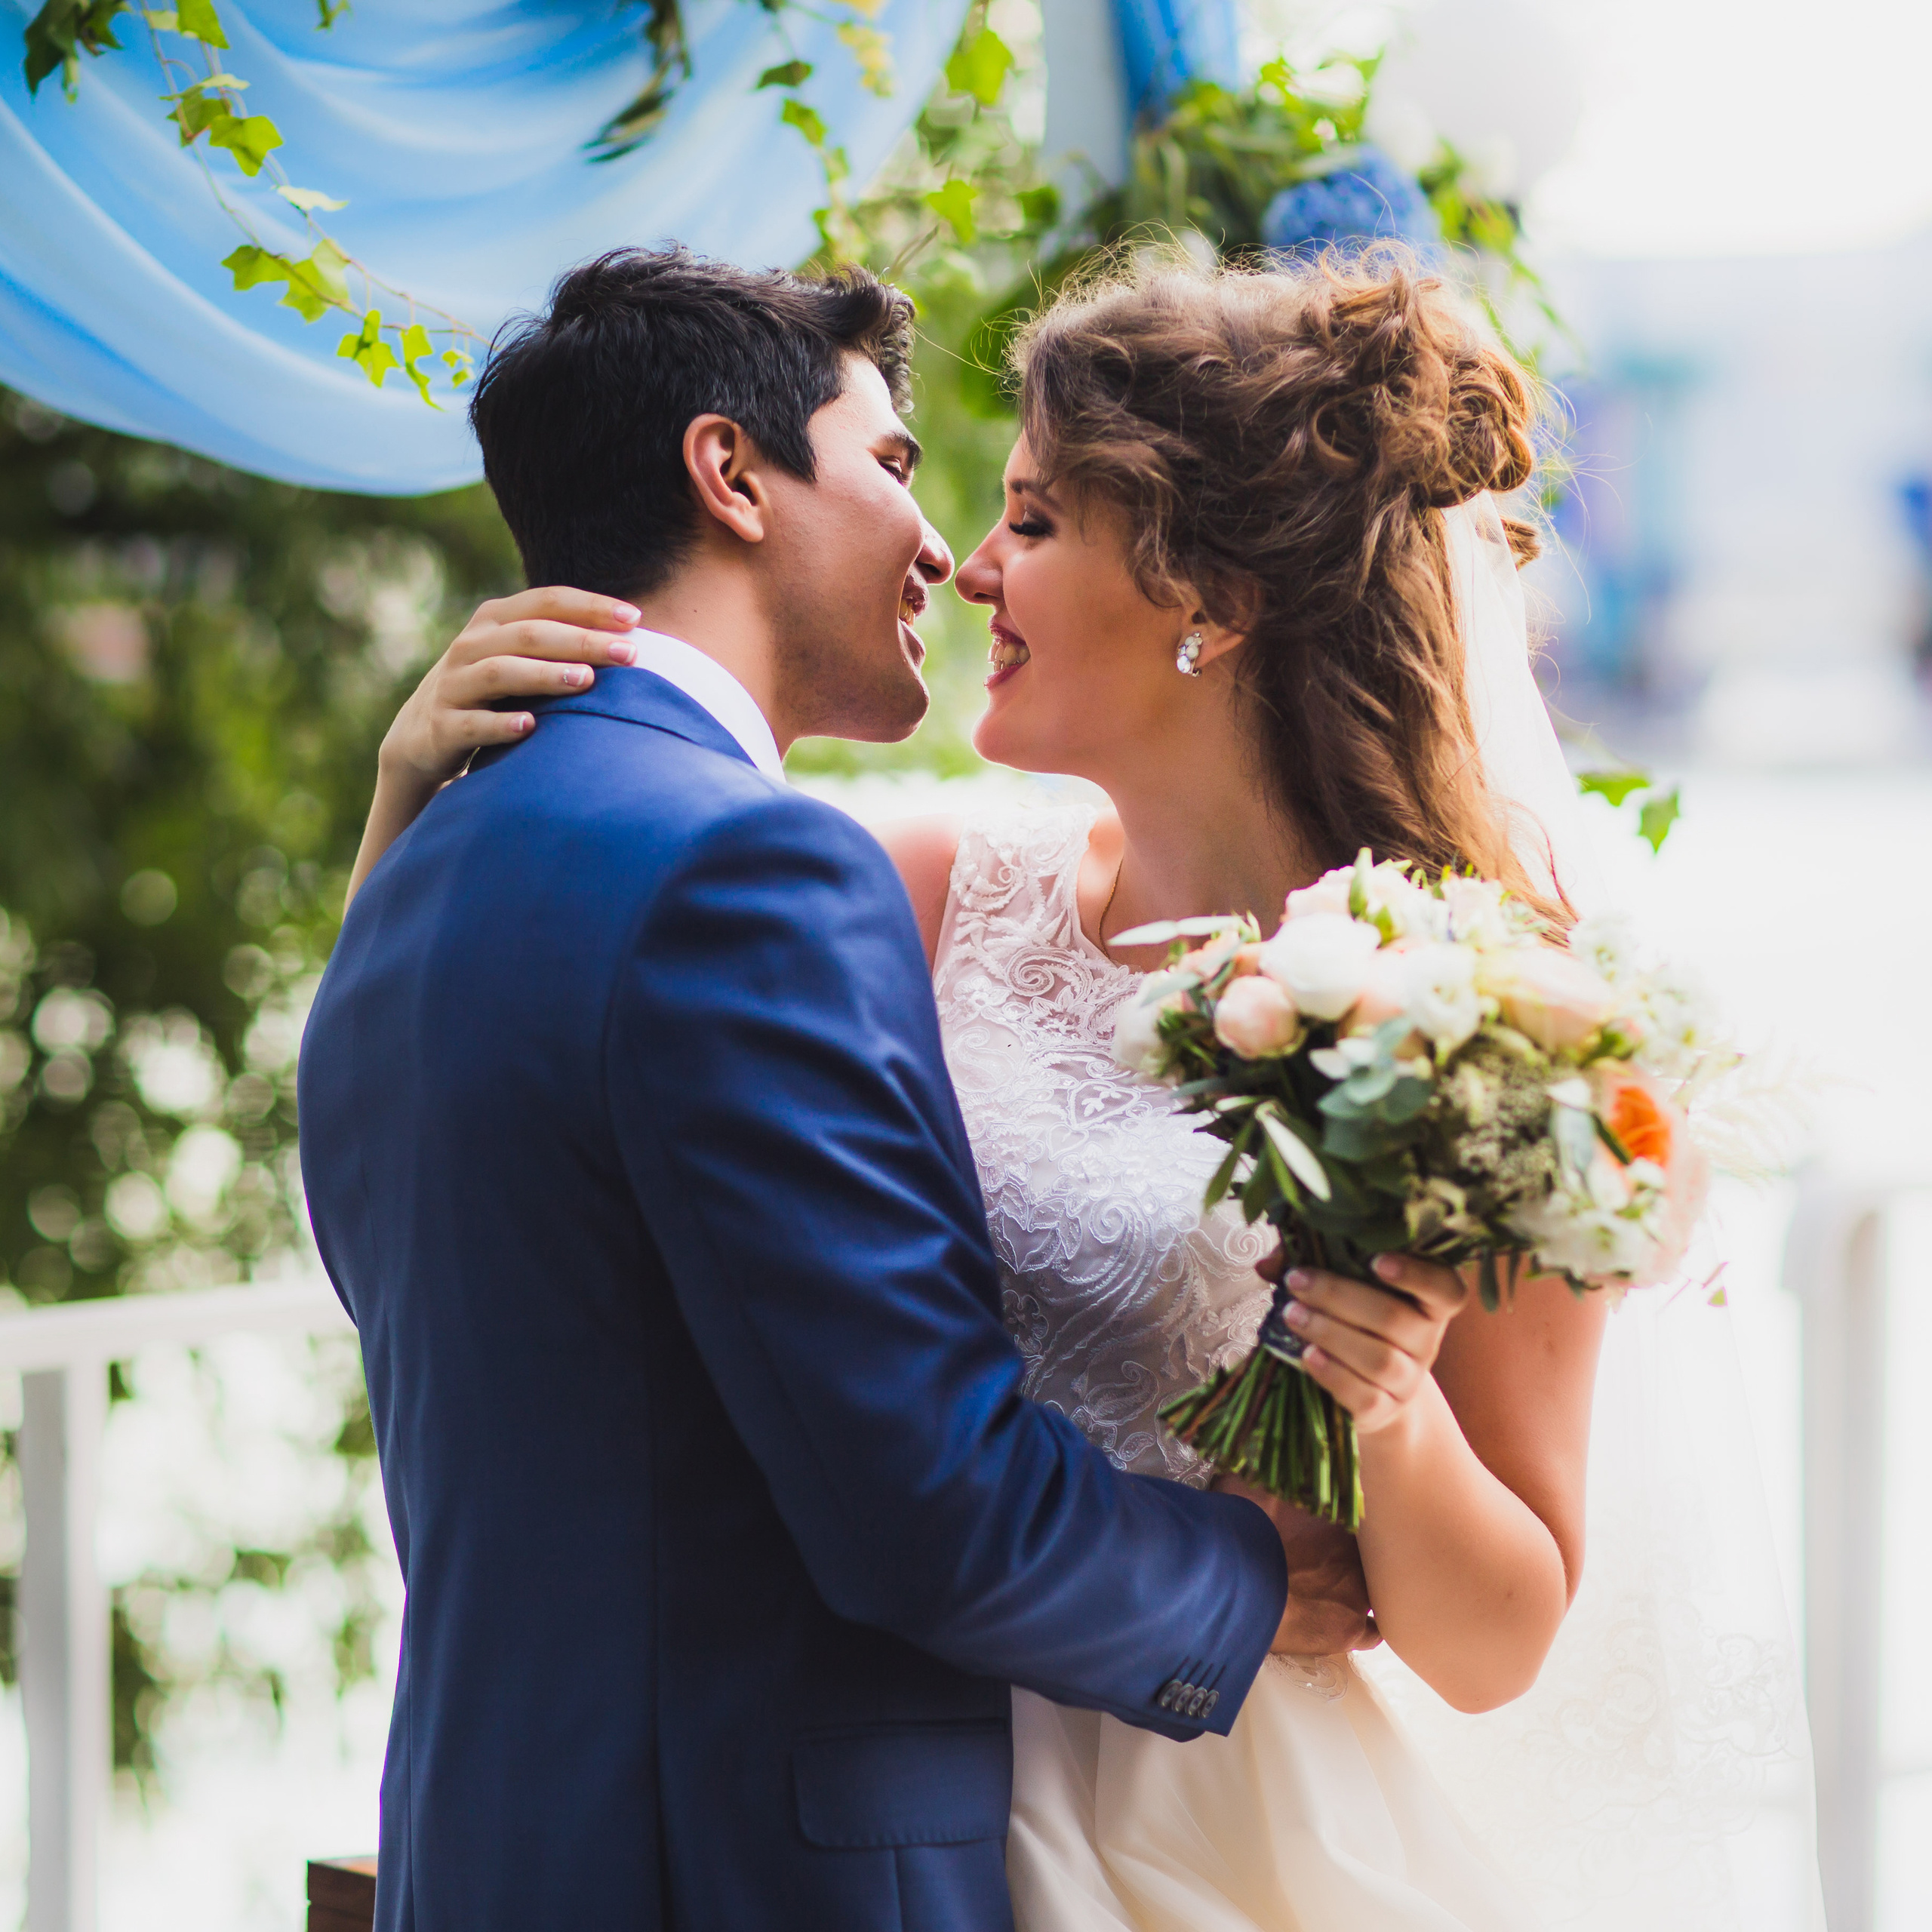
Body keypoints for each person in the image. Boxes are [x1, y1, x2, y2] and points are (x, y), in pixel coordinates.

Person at [349, 248, 1823, 1931]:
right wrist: (413, 812)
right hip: (889, 1791)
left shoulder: (1485, 1015)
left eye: (1034, 521)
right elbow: (524, 1087)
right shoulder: (901, 887)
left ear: (1211, 596)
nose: (968, 563)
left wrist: (1390, 1408)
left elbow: (1498, 1640)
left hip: (1220, 1815)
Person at [297, 247, 1369, 1932]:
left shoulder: (423, 860)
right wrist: (1249, 1581)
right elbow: (924, 1502)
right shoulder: (749, 871)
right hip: (731, 1873)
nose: (941, 548)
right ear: (730, 475)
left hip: (489, 1849)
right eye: (890, 462)